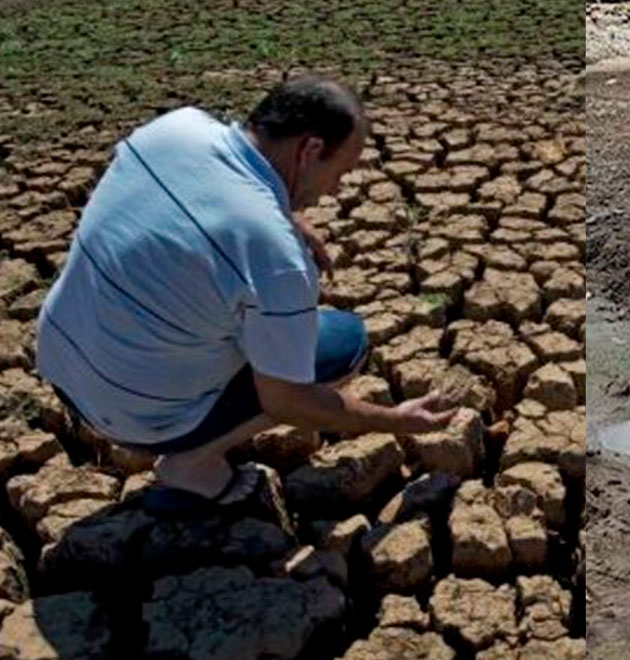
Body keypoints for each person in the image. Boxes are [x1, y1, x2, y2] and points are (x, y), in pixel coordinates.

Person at [35, 76, 463, 511]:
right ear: (310, 150)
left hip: (61, 366)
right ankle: (191, 464)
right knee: (342, 343)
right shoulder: (274, 255)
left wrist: (284, 214)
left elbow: (194, 197)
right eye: (341, 172)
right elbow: (288, 401)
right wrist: (396, 420)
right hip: (136, 418)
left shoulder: (174, 128)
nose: (335, 189)